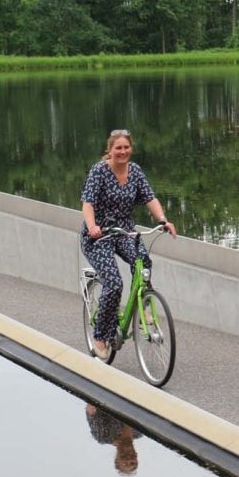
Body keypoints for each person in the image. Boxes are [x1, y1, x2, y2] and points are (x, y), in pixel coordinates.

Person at [80, 129, 177, 360]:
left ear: (130, 148)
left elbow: (149, 198)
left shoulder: (135, 172)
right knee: (114, 284)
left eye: (126, 147)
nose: (123, 152)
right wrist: (92, 226)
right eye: (118, 148)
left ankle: (143, 304)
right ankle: (100, 336)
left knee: (143, 260)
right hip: (99, 236)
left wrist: (163, 220)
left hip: (124, 233)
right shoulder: (99, 171)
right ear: (110, 150)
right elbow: (87, 203)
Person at [85, 404, 142, 476]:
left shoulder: (103, 435)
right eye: (132, 463)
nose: (129, 460)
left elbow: (91, 407)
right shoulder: (140, 432)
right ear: (136, 456)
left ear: (116, 459)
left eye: (124, 463)